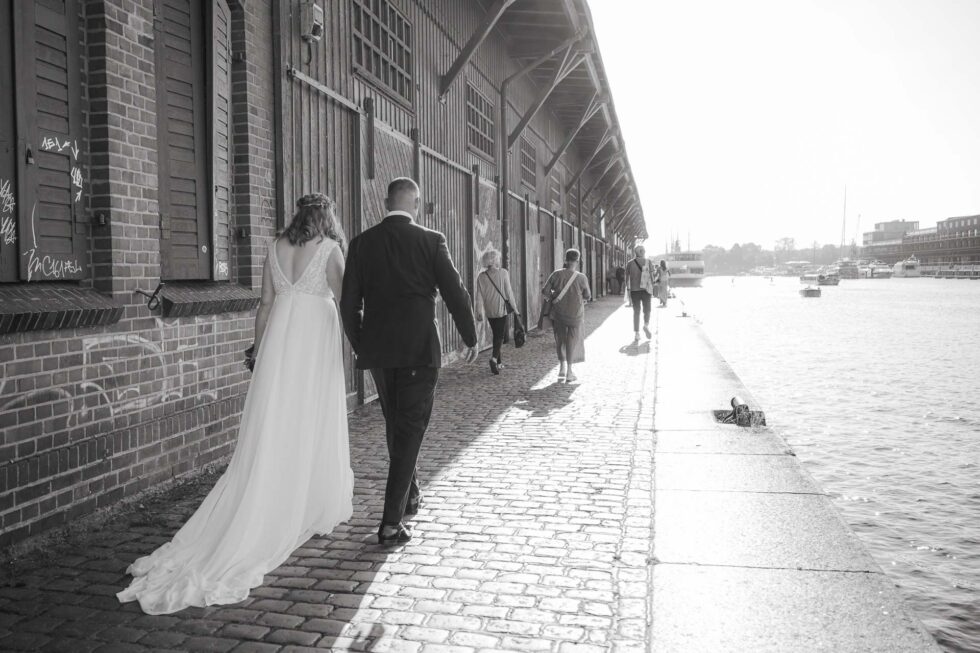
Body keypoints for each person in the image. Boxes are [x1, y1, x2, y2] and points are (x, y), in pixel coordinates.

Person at [118, 193, 354, 615]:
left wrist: (258, 353)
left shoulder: (275, 247)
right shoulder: (331, 250)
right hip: (313, 344)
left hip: (279, 345)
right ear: (326, 217)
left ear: (299, 214)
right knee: (308, 419)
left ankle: (283, 487)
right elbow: (346, 301)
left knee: (275, 423)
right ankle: (306, 498)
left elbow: (264, 306)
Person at [340, 177, 477, 546]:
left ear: (387, 203)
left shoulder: (361, 243)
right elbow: (456, 293)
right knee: (409, 429)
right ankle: (389, 523)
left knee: (396, 425)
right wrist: (471, 337)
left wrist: (361, 344)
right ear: (416, 203)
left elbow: (348, 303)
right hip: (419, 350)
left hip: (380, 354)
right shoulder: (431, 241)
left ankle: (411, 493)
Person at [542, 248, 591, 383]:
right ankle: (569, 371)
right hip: (576, 314)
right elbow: (588, 295)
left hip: (559, 313)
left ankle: (562, 368)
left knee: (560, 340)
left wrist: (555, 297)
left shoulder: (556, 274)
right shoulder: (581, 277)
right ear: (578, 260)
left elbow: (545, 291)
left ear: (566, 259)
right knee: (572, 340)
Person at [475, 248, 519, 375]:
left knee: (496, 334)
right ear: (494, 260)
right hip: (500, 309)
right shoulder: (503, 273)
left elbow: (479, 296)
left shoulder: (481, 277)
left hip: (489, 311)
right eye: (498, 258)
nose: (499, 260)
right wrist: (515, 310)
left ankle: (499, 363)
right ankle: (494, 359)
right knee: (500, 336)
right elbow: (509, 293)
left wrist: (479, 312)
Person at [624, 245, 656, 343]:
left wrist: (627, 290)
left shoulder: (630, 263)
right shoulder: (648, 262)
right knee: (647, 309)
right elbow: (652, 277)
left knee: (636, 311)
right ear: (643, 252)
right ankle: (646, 325)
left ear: (635, 253)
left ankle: (637, 334)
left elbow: (626, 279)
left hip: (634, 290)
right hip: (646, 290)